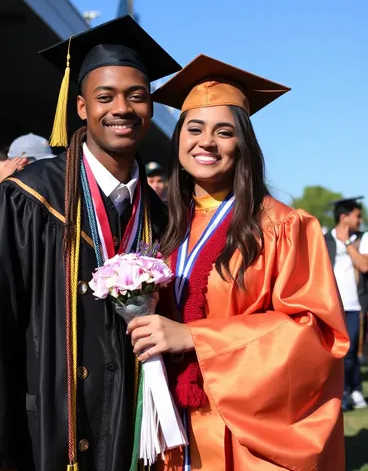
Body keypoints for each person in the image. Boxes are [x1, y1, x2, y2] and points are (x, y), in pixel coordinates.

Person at [0, 16, 181, 471]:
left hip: (137, 435)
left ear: (151, 108)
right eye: (105, 96)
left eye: (137, 96)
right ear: (80, 106)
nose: (122, 108)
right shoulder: (25, 199)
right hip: (45, 435)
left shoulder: (163, 216)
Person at [128, 54, 349, 471]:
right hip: (170, 429)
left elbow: (317, 336)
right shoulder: (162, 229)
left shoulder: (284, 225)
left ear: (242, 144)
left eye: (223, 132)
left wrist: (196, 338)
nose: (206, 142)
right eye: (194, 128)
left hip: (244, 436)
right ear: (178, 140)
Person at [325, 197, 368, 411]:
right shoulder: (324, 240)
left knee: (351, 351)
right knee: (334, 352)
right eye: (357, 216)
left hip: (355, 306)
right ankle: (344, 391)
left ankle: (353, 390)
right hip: (330, 306)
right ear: (344, 217)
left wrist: (349, 243)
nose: (361, 220)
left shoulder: (363, 238)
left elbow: (364, 266)